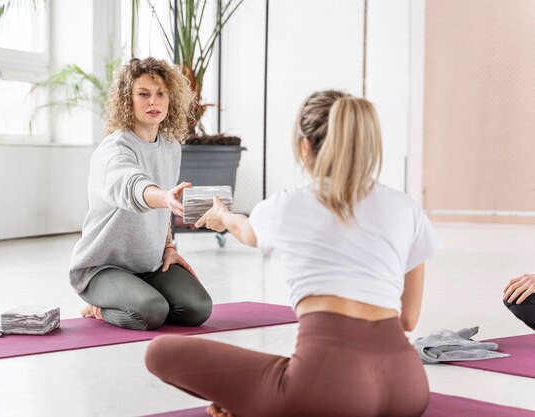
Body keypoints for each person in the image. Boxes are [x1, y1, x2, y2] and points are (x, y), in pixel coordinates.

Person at [145, 91, 442, 417]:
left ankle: (267, 399)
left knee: (160, 352)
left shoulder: (288, 205)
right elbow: (408, 319)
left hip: (331, 392)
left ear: (305, 147)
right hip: (408, 389)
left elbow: (246, 231)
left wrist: (223, 217)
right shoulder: (405, 208)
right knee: (302, 371)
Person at [69, 57, 213, 331]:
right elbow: (131, 185)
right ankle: (98, 306)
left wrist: (169, 247)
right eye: (143, 94)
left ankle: (137, 294)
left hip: (148, 264)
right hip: (102, 268)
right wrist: (164, 197)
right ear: (128, 99)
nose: (153, 102)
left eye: (160, 94)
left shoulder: (171, 147)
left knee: (198, 309)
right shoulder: (113, 150)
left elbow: (161, 216)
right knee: (151, 313)